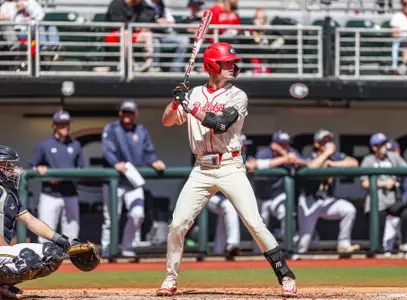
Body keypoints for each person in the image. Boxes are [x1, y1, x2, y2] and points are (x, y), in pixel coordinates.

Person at [158, 42, 297, 297]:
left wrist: (190, 107)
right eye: (226, 63)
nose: (232, 66)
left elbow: (220, 124)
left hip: (230, 165)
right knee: (177, 224)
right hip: (201, 168)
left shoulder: (237, 95)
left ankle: (286, 275)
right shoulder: (195, 94)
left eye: (232, 62)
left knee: (254, 223)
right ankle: (170, 278)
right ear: (212, 65)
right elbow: (167, 121)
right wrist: (175, 102)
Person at [0, 145, 79, 299]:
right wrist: (10, 253)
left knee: (52, 255)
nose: (12, 169)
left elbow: (30, 221)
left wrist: (63, 241)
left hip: (1, 251)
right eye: (6, 165)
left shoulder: (9, 193)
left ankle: (2, 285)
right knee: (26, 258)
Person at [101, 99, 166, 258]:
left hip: (133, 180)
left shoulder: (141, 130)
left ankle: (126, 246)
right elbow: (107, 150)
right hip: (114, 181)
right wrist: (115, 163)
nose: (127, 115)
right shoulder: (112, 128)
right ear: (120, 113)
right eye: (125, 112)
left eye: (130, 112)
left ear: (136, 114)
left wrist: (154, 161)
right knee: (110, 218)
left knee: (137, 214)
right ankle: (107, 249)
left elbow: (148, 151)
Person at [295, 129, 360, 257]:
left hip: (327, 200)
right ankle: (296, 259)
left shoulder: (335, 157)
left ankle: (343, 244)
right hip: (309, 201)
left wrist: (333, 163)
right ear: (317, 144)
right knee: (304, 241)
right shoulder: (310, 156)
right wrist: (326, 154)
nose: (328, 144)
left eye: (329, 141)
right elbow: (311, 167)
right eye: (324, 141)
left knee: (349, 209)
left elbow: (354, 163)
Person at [29, 111, 84, 244]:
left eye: (67, 124)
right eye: (61, 124)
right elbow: (32, 166)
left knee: (72, 233)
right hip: (50, 193)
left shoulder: (75, 145)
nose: (65, 126)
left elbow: (81, 169)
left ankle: (71, 259)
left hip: (70, 192)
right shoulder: (44, 145)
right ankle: (46, 260)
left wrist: (75, 176)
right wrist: (42, 172)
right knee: (46, 231)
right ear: (54, 125)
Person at [360, 133, 407, 256]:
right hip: (376, 201)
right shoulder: (368, 160)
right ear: (374, 147)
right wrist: (384, 183)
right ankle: (377, 251)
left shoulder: (393, 157)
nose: (385, 146)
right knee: (378, 225)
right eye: (381, 144)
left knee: (406, 212)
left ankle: (404, 244)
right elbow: (364, 183)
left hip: (392, 199)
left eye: (385, 143)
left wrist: (398, 181)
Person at [251, 131, 305, 242]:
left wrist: (285, 154)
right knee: (259, 227)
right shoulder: (264, 153)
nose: (286, 146)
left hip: (278, 195)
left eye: (287, 144)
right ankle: (257, 254)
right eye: (281, 144)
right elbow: (255, 165)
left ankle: (288, 245)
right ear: (273, 145)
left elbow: (300, 161)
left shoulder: (291, 152)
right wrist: (285, 158)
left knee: (287, 213)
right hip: (261, 197)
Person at [206, 133, 253, 259]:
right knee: (228, 206)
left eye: (245, 146)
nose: (244, 148)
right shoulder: (219, 151)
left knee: (225, 217)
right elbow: (203, 160)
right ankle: (233, 244)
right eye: (241, 146)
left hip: (229, 197)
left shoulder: (246, 157)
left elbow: (254, 164)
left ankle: (218, 251)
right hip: (213, 196)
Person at [383, 140, 407, 257]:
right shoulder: (384, 168)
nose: (391, 155)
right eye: (389, 152)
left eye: (393, 151)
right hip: (390, 211)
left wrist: (398, 206)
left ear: (398, 151)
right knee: (387, 246)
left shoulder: (405, 167)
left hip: (406, 209)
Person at [105, 0, 156, 72]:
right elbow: (116, 21)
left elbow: (149, 13)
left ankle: (148, 64)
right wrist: (135, 27)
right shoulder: (116, 3)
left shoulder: (140, 4)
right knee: (126, 33)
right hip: (114, 34)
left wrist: (143, 26)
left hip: (132, 33)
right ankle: (130, 65)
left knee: (148, 34)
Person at [145, 0, 190, 72]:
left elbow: (171, 21)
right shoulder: (144, 4)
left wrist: (165, 21)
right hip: (151, 34)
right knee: (155, 43)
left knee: (184, 40)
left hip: (164, 33)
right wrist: (156, 21)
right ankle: (154, 68)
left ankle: (175, 68)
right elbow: (143, 20)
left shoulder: (161, 5)